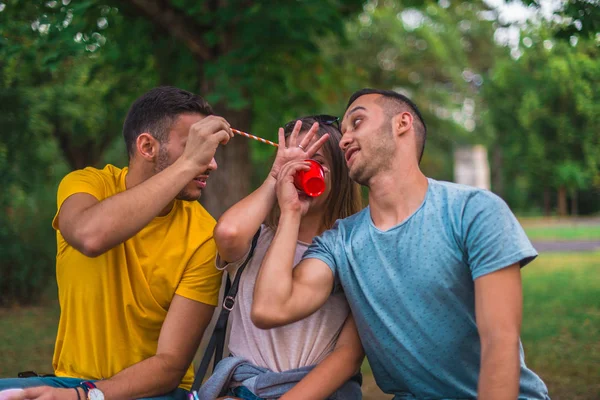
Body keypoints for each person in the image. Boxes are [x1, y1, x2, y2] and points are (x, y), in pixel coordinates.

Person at [251, 89, 551, 399]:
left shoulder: (473, 211)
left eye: (357, 122)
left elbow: (499, 342)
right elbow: (270, 308)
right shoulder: (341, 243)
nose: (344, 140)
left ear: (402, 123)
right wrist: (291, 211)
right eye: (343, 132)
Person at [0, 86, 234, 400]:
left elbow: (170, 365)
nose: (210, 163)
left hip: (153, 393)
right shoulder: (86, 185)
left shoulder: (206, 233)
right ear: (148, 146)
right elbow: (90, 236)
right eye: (194, 147)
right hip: (69, 384)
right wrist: (187, 165)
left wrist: (88, 397)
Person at [198, 116, 365, 399]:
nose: (302, 167)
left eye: (317, 161)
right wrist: (277, 180)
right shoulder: (256, 238)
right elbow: (227, 233)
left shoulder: (353, 251)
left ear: (340, 174)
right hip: (244, 390)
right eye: (294, 159)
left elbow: (348, 356)